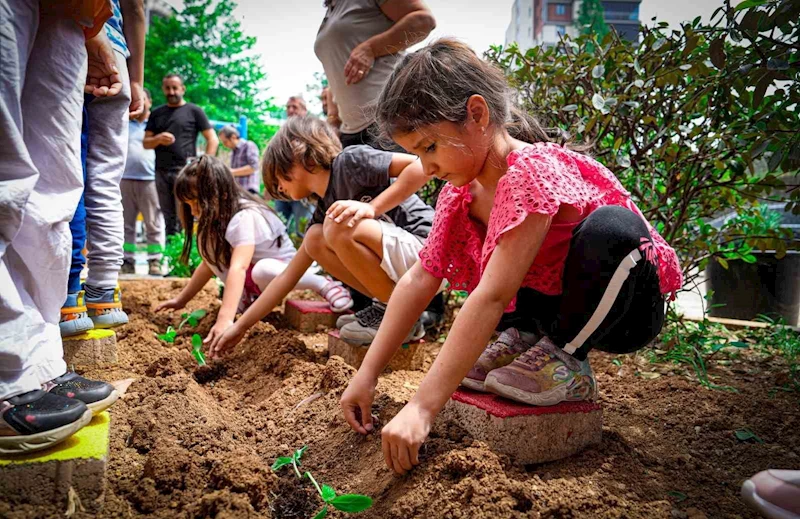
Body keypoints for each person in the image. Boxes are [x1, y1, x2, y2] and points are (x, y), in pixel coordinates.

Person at [338, 39, 684, 474]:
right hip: (550, 303)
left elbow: (493, 296)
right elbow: (419, 279)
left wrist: (422, 408)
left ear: (477, 115)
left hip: (621, 309)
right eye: (415, 154)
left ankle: (568, 359)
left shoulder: (529, 171)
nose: (425, 168)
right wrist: (367, 374)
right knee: (497, 263)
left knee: (610, 229)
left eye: (429, 148)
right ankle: (525, 338)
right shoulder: (459, 193)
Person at [1, 0, 125, 455]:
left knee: (52, 186)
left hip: (70, 10)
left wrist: (94, 31)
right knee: (5, 166)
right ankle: (6, 372)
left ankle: (38, 360)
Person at [209, 116, 438, 354]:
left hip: (428, 249)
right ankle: (394, 310)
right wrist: (241, 326)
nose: (278, 189)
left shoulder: (350, 162)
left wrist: (373, 207)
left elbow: (421, 165)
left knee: (336, 223)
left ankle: (399, 316)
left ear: (297, 154)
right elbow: (286, 278)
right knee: (315, 238)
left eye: (278, 178)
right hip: (405, 265)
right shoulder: (322, 211)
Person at [154, 156, 352, 349]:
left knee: (263, 270)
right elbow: (209, 264)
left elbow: (239, 267)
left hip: (282, 270)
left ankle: (325, 285)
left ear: (219, 195)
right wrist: (182, 300)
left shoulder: (244, 217)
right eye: (188, 205)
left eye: (196, 203)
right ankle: (248, 299)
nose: (193, 212)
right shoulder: (217, 220)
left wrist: (225, 318)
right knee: (211, 251)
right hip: (256, 278)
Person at [60, 0, 145, 337]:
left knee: (68, 173)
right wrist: (136, 80)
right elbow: (135, 9)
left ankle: (67, 297)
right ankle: (103, 294)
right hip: (119, 62)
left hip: (71, 40)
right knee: (107, 181)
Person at [314, 0, 435, 149]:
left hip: (389, 121)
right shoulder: (331, 11)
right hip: (350, 133)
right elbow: (336, 70)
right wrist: (333, 119)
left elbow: (423, 20)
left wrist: (371, 48)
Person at [144, 73, 219, 236]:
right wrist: (157, 139)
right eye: (167, 88)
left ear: (182, 89)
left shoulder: (194, 111)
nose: (171, 92)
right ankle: (173, 253)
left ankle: (189, 252)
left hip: (185, 172)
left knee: (186, 215)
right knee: (167, 216)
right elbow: (145, 142)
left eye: (175, 88)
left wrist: (204, 165)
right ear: (163, 89)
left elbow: (213, 139)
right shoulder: (157, 113)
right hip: (161, 172)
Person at [121, 88, 165, 276]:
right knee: (126, 224)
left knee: (153, 223)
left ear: (149, 102)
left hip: (150, 180)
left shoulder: (156, 126)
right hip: (125, 179)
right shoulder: (124, 124)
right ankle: (127, 260)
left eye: (142, 99)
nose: (138, 102)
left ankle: (155, 260)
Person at [272, 95, 315, 236]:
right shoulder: (281, 132)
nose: (290, 110)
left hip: (303, 191)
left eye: (294, 107)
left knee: (302, 231)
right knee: (277, 227)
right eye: (288, 107)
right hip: (282, 191)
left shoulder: (311, 130)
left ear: (304, 110)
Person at [218, 125, 260, 194]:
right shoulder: (233, 152)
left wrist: (231, 172)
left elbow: (253, 167)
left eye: (225, 142)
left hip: (249, 190)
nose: (224, 145)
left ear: (233, 137)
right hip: (238, 191)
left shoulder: (249, 145)